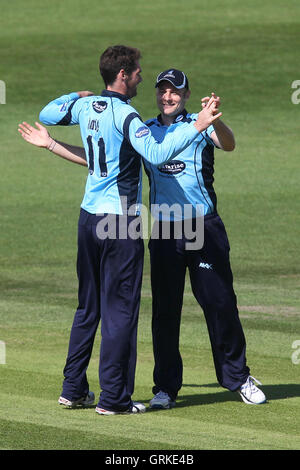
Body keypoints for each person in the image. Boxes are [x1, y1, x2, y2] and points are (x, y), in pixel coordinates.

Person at [19, 48, 222, 416]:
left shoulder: (86, 108)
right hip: (120, 223)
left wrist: (73, 108)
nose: (143, 80)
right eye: (139, 74)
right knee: (121, 312)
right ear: (124, 75)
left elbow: (47, 114)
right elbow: (157, 154)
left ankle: (73, 389)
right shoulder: (127, 116)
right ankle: (114, 398)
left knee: (87, 307)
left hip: (88, 219)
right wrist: (197, 125)